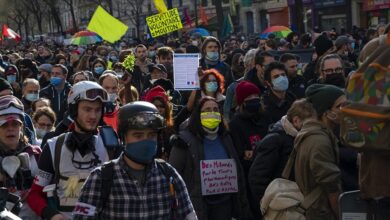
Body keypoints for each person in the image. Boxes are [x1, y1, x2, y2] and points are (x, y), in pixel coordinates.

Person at [73, 101, 197, 219]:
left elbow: (188, 215)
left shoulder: (169, 175)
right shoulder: (100, 178)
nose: (145, 141)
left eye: (151, 135)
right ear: (123, 138)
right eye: (138, 135)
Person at [27, 81, 120, 219]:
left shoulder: (111, 145)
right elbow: (34, 194)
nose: (93, 116)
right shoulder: (53, 147)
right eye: (87, 109)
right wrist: (52, 215)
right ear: (74, 110)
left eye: (98, 110)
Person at [169, 96, 252, 220]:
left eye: (215, 109)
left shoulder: (226, 138)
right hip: (198, 208)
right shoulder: (184, 141)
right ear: (198, 114)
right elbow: (173, 176)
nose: (212, 113)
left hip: (226, 206)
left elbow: (238, 172)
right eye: (207, 110)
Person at [248, 99, 317, 216]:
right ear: (296, 121)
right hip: (279, 208)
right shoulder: (275, 140)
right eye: (310, 124)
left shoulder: (298, 138)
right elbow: (257, 178)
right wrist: (268, 206)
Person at [295, 84, 345, 219]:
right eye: (340, 106)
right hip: (321, 211)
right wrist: (341, 215)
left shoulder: (316, 134)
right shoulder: (319, 142)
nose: (345, 110)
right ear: (326, 112)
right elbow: (331, 187)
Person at [228, 81, 270, 218]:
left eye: (255, 97)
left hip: (270, 174)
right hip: (249, 178)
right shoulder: (236, 123)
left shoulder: (265, 117)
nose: (253, 100)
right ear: (242, 102)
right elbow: (241, 154)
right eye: (249, 98)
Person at [0, 95, 41, 219]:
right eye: (4, 125)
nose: (11, 129)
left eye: (15, 124)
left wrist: (33, 190)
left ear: (21, 127)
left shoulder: (36, 154)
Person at [143, 86, 175, 159]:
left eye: (162, 106)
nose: (159, 109)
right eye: (155, 106)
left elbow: (188, 108)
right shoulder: (144, 127)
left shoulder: (171, 126)